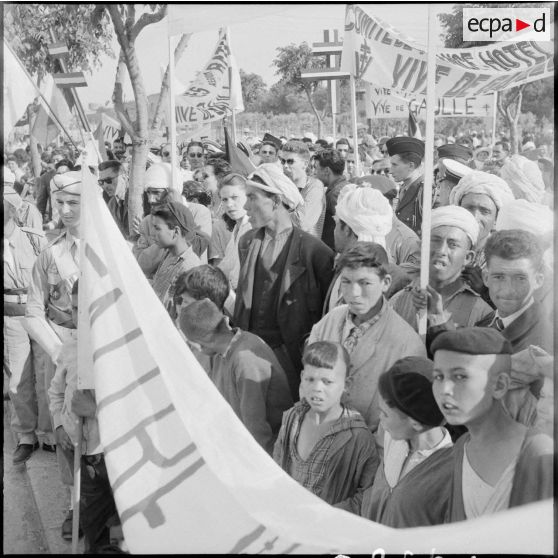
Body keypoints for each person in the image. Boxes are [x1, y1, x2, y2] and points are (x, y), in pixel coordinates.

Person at [234, 163, 334, 400]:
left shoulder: (315, 253)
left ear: (276, 201)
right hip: (250, 353)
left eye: (252, 198)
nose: (245, 206)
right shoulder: (246, 242)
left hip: (291, 361)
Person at [431, 328, 553, 520]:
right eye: (438, 377)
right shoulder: (461, 448)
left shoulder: (539, 452)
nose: (445, 389)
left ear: (499, 385)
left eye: (460, 376)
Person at [308, 242, 426, 435]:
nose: (354, 293)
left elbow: (399, 423)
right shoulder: (328, 322)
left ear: (386, 283)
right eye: (346, 282)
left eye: (365, 283)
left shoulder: (407, 345)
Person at [24, 170, 83, 537]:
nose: (64, 209)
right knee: (65, 430)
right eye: (59, 202)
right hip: (62, 349)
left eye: (72, 202)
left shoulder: (116, 251)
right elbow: (34, 310)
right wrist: (59, 351)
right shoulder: (50, 254)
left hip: (103, 352)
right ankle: (72, 505)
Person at [48, 280, 119, 550]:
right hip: (81, 456)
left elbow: (133, 411)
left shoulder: (119, 352)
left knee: (117, 533)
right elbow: (55, 392)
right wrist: (58, 426)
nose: (79, 317)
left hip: (112, 459)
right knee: (92, 528)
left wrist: (96, 411)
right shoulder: (71, 347)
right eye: (75, 308)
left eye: (85, 309)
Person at [179, 298, 293, 454]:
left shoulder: (246, 360)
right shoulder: (220, 353)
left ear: (204, 341)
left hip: (269, 452)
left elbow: (257, 430)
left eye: (191, 342)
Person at [273, 341, 379, 507]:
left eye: (327, 382)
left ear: (347, 384)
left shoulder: (357, 437)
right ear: (301, 378)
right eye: (310, 379)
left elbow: (369, 496)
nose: (317, 388)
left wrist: (329, 516)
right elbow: (276, 469)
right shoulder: (292, 418)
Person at [350, 357, 453, 527]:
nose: (379, 419)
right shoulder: (393, 436)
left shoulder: (451, 473)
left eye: (385, 413)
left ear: (416, 423)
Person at [4, 186, 54, 464]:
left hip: (40, 313)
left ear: (13, 210)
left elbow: (51, 273)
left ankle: (48, 434)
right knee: (18, 380)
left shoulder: (34, 240)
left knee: (46, 375)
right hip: (11, 316)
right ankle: (25, 435)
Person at [390, 206, 493, 332]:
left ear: (468, 257)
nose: (441, 251)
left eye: (453, 245)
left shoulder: (482, 313)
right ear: (422, 247)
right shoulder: (398, 301)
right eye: (435, 241)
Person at [324, 184, 411, 311]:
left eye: (337, 224)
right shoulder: (341, 264)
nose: (334, 230)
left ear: (347, 229)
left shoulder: (397, 280)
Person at [132, 163, 212, 278]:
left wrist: (177, 215)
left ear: (172, 192)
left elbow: (195, 248)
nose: (150, 199)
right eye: (148, 192)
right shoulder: (148, 221)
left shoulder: (199, 212)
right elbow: (141, 264)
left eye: (156, 192)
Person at [151, 202, 202, 309]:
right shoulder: (169, 255)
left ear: (175, 231)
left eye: (157, 228)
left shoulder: (190, 267)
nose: (152, 233)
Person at [209, 173, 251, 291]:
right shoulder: (238, 227)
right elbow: (226, 266)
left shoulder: (251, 228)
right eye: (225, 199)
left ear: (248, 196)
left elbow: (236, 279)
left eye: (235, 197)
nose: (229, 204)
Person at [281, 140, 326, 238]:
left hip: (304, 250)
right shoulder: (282, 186)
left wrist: (274, 215)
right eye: (283, 161)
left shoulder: (314, 187)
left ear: (305, 164)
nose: (285, 166)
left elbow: (301, 223)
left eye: (290, 161)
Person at [386, 137, 425, 236]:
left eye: (395, 165)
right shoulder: (403, 188)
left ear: (411, 166)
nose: (390, 171)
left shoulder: (425, 192)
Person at [313, 148, 347, 249]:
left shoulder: (337, 193)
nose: (314, 172)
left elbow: (346, 229)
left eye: (316, 168)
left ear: (327, 171)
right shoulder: (340, 188)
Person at [98, 160, 129, 238]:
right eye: (101, 182)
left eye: (108, 180)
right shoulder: (111, 204)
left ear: (124, 178)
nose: (104, 186)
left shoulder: (140, 199)